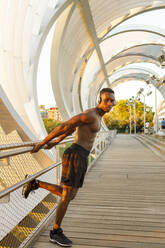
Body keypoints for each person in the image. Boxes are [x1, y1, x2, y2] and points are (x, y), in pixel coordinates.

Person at [22, 88, 116, 247]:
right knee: (66, 196)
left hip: (82, 157)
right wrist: (43, 143)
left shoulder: (98, 117)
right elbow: (66, 125)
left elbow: (72, 130)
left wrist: (56, 143)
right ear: (98, 100)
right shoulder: (90, 115)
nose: (109, 103)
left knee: (70, 196)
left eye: (112, 100)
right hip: (75, 155)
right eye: (106, 100)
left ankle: (36, 183)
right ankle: (55, 232)